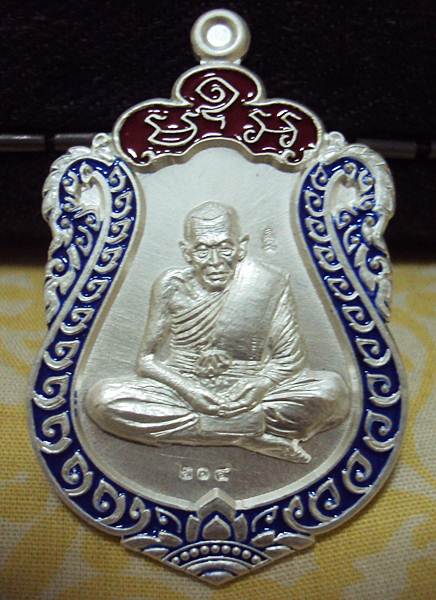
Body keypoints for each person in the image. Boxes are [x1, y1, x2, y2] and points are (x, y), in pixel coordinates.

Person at [85, 202, 349, 462]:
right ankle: (246, 433)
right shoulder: (171, 285)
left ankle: (211, 430)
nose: (214, 262)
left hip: (248, 392)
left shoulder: (268, 283)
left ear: (241, 247)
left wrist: (259, 384)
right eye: (202, 250)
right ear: (186, 252)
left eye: (224, 248)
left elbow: (289, 359)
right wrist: (189, 390)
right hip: (181, 389)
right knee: (103, 400)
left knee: (332, 392)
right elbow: (146, 360)